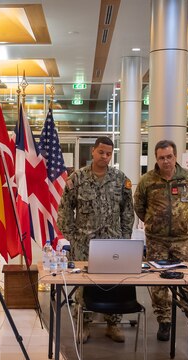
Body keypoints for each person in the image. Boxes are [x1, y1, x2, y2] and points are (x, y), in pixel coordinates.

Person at [57, 136, 134, 343]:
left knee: (114, 282)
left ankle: (113, 324)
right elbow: (64, 211)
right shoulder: (78, 179)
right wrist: (73, 237)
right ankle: (83, 323)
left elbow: (127, 212)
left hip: (113, 243)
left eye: (109, 153)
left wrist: (125, 239)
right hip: (84, 245)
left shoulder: (120, 179)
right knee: (84, 286)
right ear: (93, 151)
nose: (105, 157)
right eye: (101, 152)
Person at [134, 140, 188, 344]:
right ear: (156, 159)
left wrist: (181, 222)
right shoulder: (147, 181)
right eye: (162, 157)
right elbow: (139, 206)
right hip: (156, 241)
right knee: (158, 285)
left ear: (175, 156)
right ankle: (164, 322)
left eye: (169, 157)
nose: (166, 161)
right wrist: (155, 222)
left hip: (183, 241)